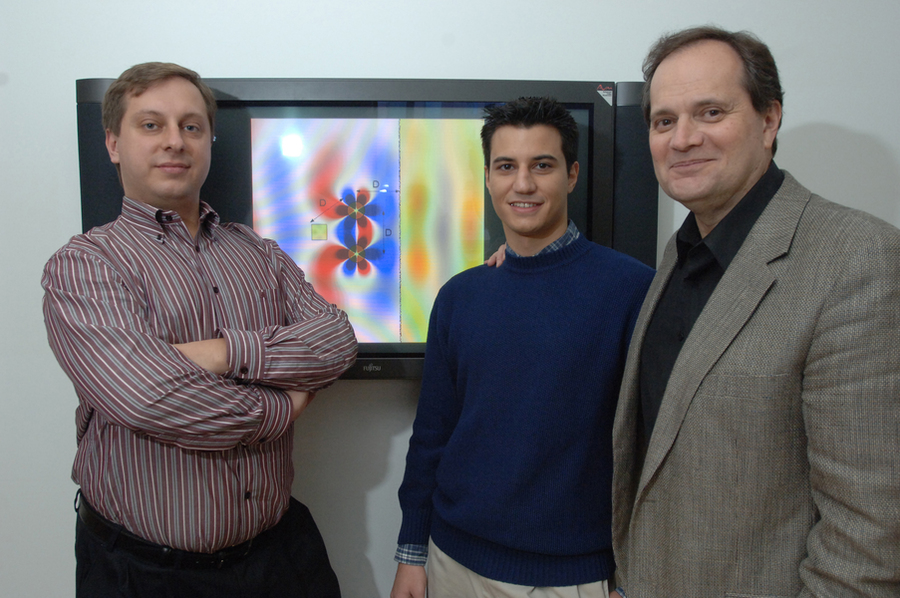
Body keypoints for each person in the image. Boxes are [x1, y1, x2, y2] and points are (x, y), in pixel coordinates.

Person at [42, 62, 357, 597]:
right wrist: (281, 406)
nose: (175, 142)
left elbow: (335, 341)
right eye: (151, 125)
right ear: (114, 144)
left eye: (191, 126)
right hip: (142, 572)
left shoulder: (259, 251)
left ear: (209, 141)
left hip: (279, 556)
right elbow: (153, 400)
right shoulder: (86, 264)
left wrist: (219, 352)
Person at [611, 27, 900, 597]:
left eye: (710, 112)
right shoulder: (680, 251)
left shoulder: (856, 259)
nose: (683, 138)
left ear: (769, 121)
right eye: (663, 121)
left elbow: (869, 538)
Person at [390, 97, 654, 598]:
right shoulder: (460, 296)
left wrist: (634, 576)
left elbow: (653, 449)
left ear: (572, 175)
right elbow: (431, 436)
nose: (524, 184)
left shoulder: (633, 290)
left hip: (576, 577)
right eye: (507, 166)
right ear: (487, 177)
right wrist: (411, 553)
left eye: (543, 166)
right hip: (455, 563)